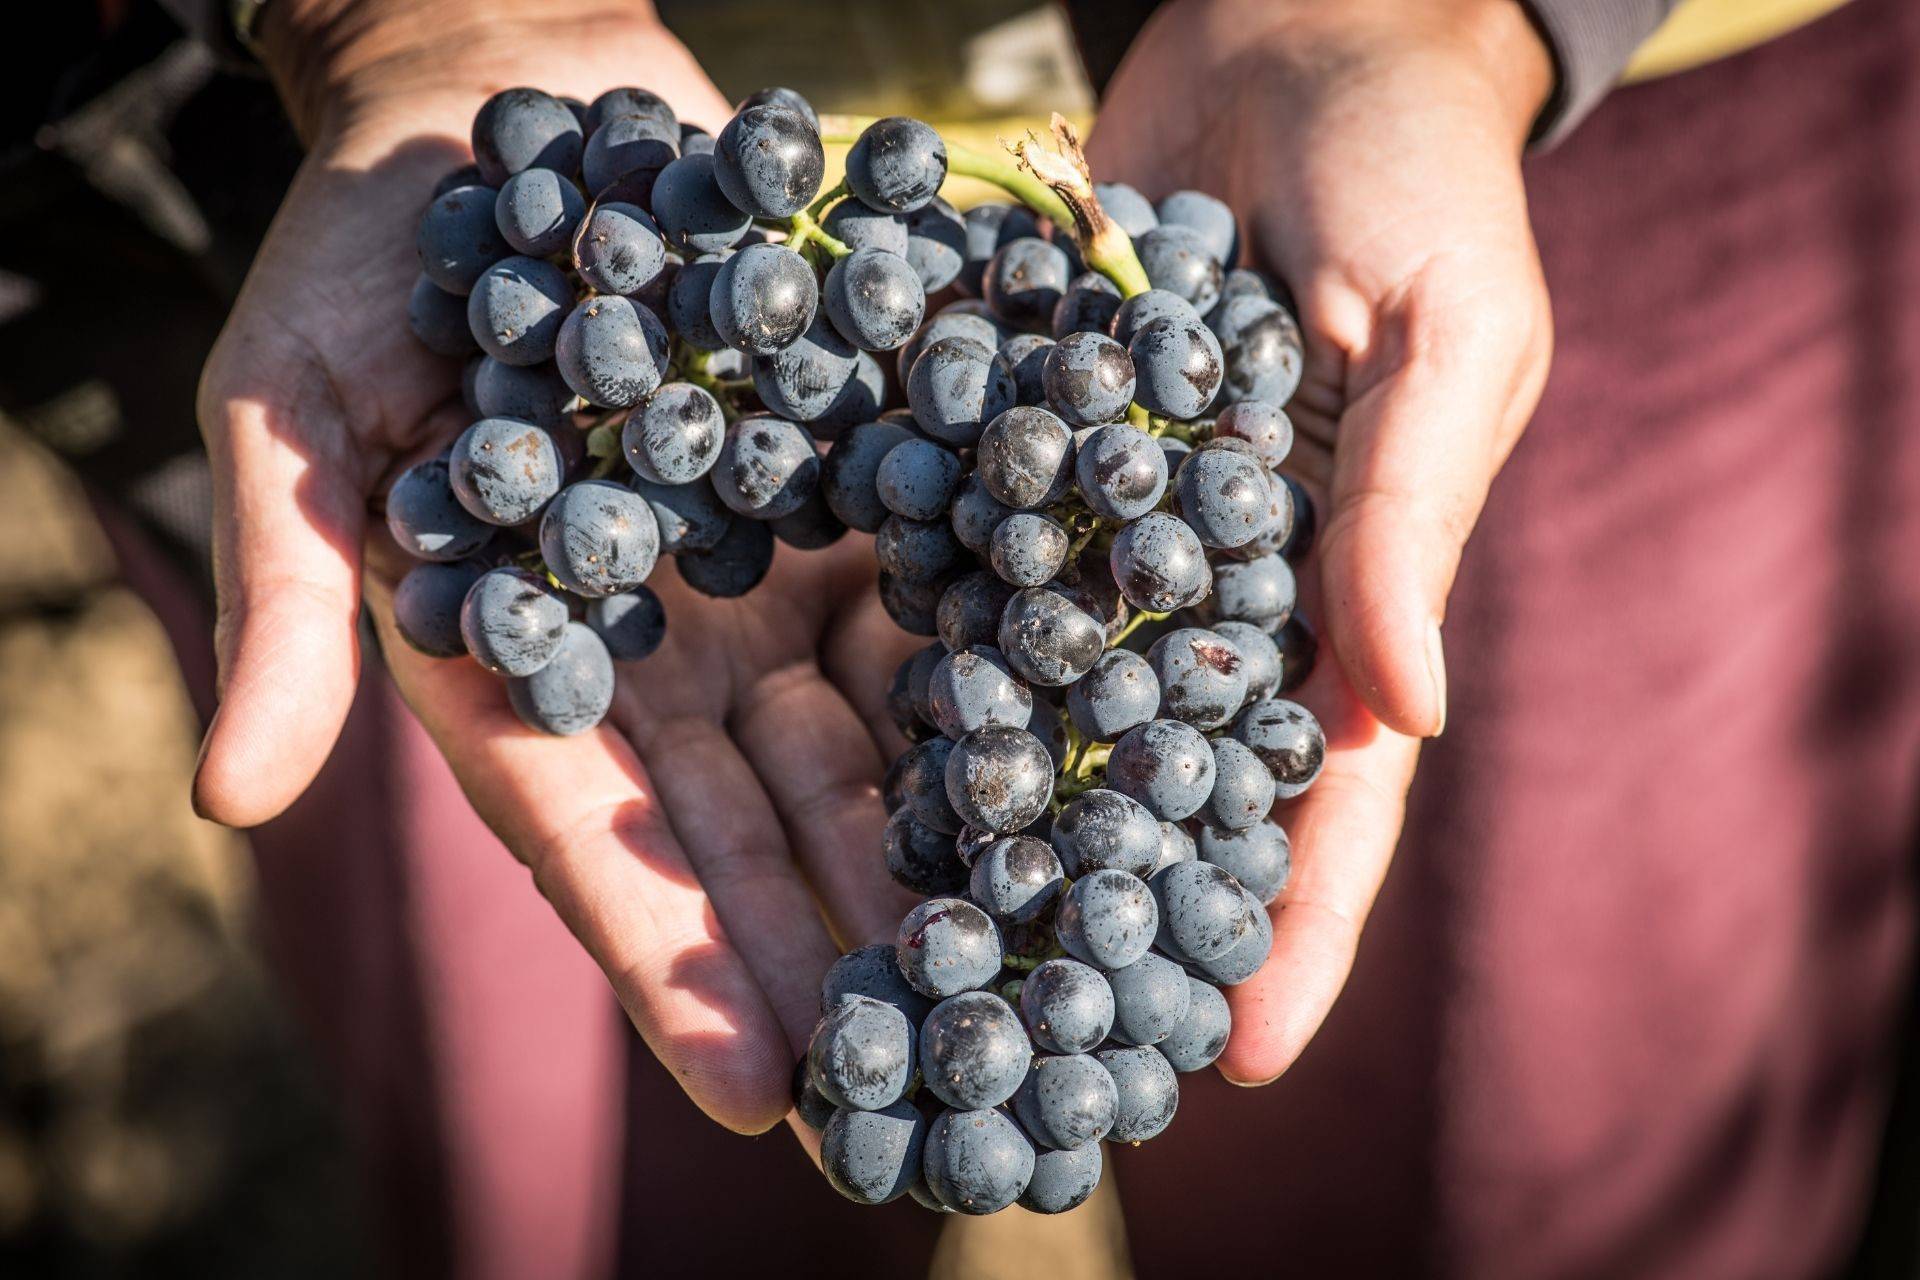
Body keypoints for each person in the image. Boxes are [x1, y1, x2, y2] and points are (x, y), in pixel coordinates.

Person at [181, 0, 1920, 1275]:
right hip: (401, 119)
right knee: (566, 1191)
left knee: (1517, 1154)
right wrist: (392, 18)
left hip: (1611, 137)